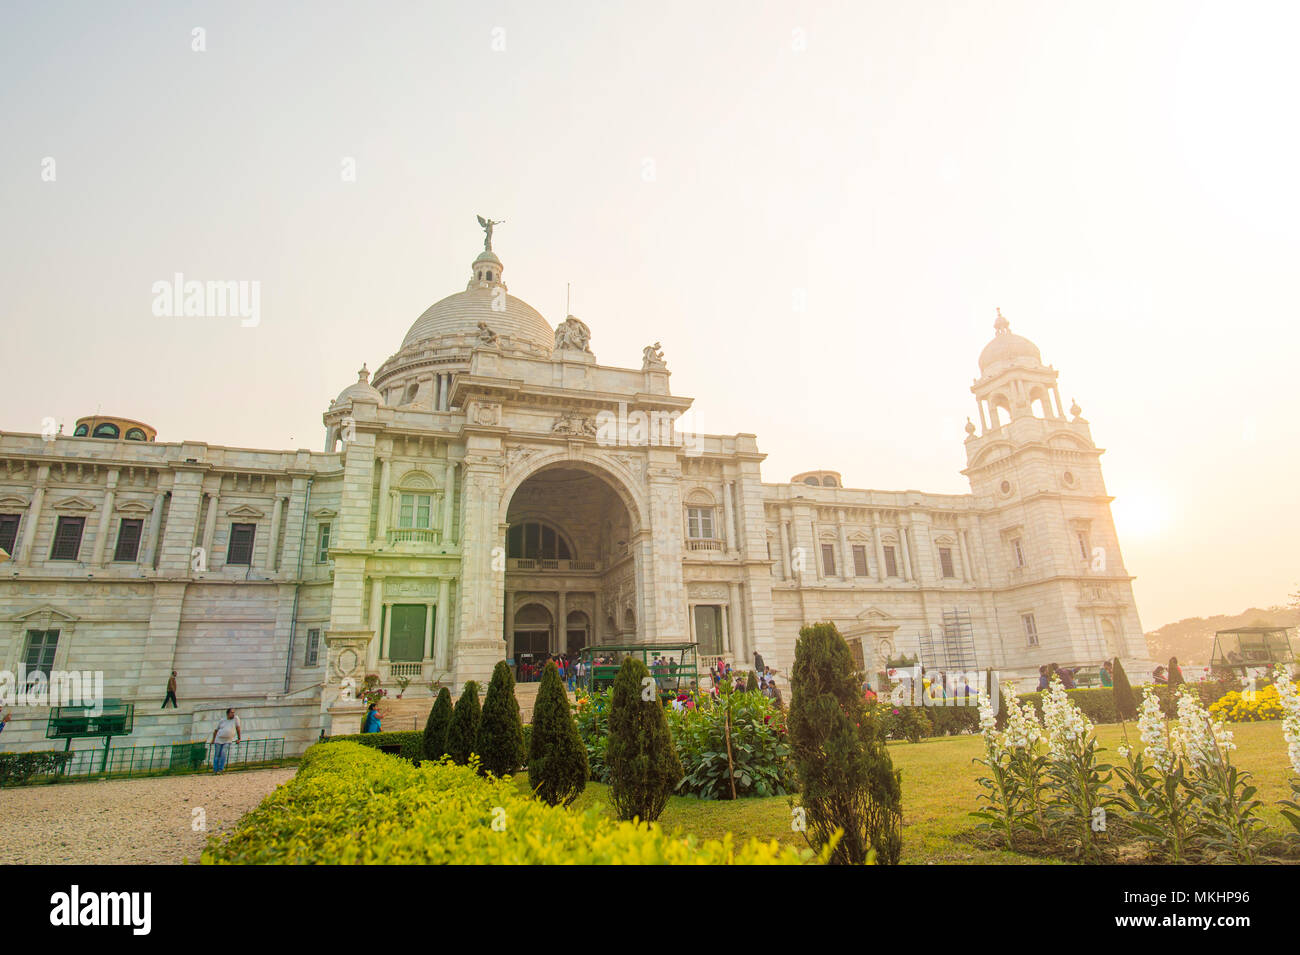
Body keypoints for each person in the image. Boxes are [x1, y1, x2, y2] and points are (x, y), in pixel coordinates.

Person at [211, 708, 242, 772]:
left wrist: (239, 738)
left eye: (233, 712)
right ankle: (215, 770)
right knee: (217, 755)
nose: (233, 714)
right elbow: (216, 730)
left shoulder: (236, 719)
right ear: (228, 713)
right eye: (231, 712)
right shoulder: (222, 720)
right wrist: (213, 740)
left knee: (223, 753)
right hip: (219, 739)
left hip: (228, 740)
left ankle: (220, 769)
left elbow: (238, 728)